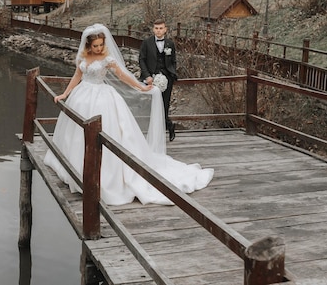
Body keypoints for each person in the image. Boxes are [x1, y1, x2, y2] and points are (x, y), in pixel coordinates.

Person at [43, 23, 213, 206]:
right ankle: (74, 166)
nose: (99, 48)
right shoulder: (82, 58)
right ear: (88, 45)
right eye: (95, 46)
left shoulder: (107, 59)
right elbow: (77, 76)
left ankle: (109, 171)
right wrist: (65, 94)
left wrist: (141, 87)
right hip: (82, 96)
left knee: (108, 131)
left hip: (102, 98)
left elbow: (123, 76)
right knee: (76, 134)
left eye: (101, 44)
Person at [139, 19, 177, 141]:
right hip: (151, 79)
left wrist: (171, 73)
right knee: (151, 106)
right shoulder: (146, 43)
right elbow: (142, 60)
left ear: (165, 29)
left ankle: (168, 127)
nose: (158, 30)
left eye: (161, 28)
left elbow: (173, 61)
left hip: (167, 79)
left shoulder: (170, 44)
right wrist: (147, 76)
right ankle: (155, 133)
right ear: (153, 29)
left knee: (164, 106)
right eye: (156, 28)